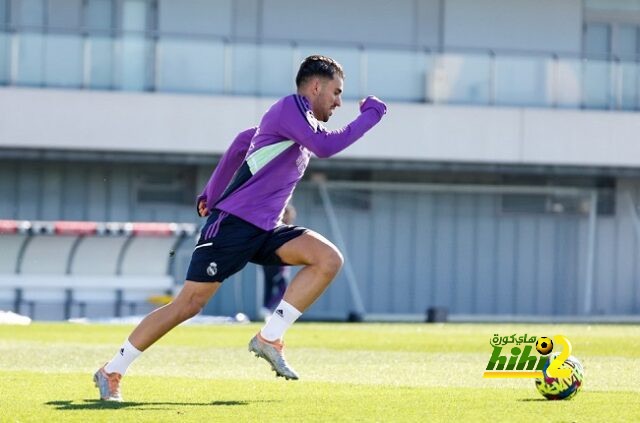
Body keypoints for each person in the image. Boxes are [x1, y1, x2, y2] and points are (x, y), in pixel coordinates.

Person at [94, 55, 386, 401]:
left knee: (327, 259)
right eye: (336, 93)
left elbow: (240, 143)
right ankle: (112, 370)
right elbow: (324, 147)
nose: (339, 102)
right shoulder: (289, 108)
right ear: (316, 86)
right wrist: (370, 116)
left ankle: (269, 337)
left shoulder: (299, 125)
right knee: (187, 305)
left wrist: (210, 191)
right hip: (233, 224)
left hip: (266, 229)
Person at [260, 203, 296, 320]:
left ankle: (267, 309)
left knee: (271, 288)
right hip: (276, 263)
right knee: (283, 289)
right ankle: (267, 309)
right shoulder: (279, 227)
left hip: (275, 263)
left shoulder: (277, 226)